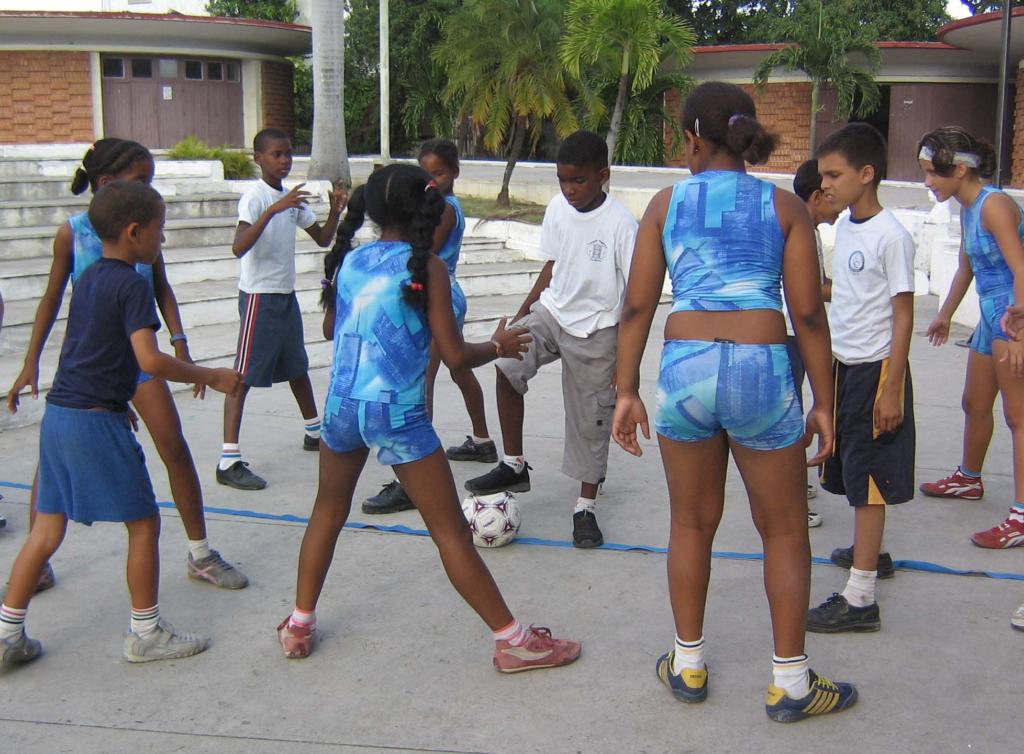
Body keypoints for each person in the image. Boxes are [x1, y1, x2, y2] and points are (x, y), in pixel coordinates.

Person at [612, 82, 855, 722]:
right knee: (782, 530)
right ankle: (791, 684)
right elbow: (806, 313)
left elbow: (636, 306)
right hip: (760, 369)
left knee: (691, 523)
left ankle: (688, 664)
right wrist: (824, 403)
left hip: (686, 367)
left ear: (693, 138)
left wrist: (625, 390)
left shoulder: (666, 204)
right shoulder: (784, 208)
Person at [276, 164, 581, 673]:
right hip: (397, 413)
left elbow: (332, 329)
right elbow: (456, 356)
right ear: (428, 209)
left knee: (327, 510)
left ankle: (299, 624)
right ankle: (513, 641)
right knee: (450, 533)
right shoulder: (429, 270)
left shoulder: (351, 262)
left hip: (342, 407)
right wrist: (499, 344)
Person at [1, 181, 242, 671]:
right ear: (134, 232)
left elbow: (84, 352)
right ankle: (146, 632)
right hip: (95, 422)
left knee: (45, 531)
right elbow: (148, 359)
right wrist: (211, 375)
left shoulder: (89, 279)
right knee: (145, 523)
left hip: (62, 414)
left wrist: (115, 398)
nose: (163, 242)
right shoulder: (132, 284)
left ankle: (8, 634)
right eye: (160, 231)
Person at [465, 131, 638, 548]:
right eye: (562, 180)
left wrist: (625, 363)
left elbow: (635, 297)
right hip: (552, 312)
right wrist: (523, 316)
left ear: (603, 176)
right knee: (506, 365)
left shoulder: (622, 224)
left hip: (597, 328)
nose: (569, 189)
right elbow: (552, 265)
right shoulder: (559, 209)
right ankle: (514, 464)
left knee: (591, 419)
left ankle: (585, 507)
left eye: (577, 180)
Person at [807, 122, 916, 629]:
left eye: (834, 174)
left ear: (866, 174)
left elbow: (902, 313)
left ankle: (860, 598)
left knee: (870, 480)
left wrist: (891, 386)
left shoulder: (892, 236)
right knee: (853, 470)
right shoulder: (846, 225)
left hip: (877, 370)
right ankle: (871, 552)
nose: (824, 184)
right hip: (844, 365)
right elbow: (849, 293)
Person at [362, 139, 496, 514]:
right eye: (428, 174)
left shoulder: (445, 211)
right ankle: (482, 440)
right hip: (441, 291)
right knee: (458, 366)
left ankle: (410, 473)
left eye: (439, 172)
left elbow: (423, 251)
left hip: (436, 292)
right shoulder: (440, 206)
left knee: (422, 378)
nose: (433, 180)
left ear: (454, 171)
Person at [216, 127, 347, 491]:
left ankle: (313, 431)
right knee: (241, 377)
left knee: (296, 367)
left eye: (288, 153)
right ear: (259, 158)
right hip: (259, 296)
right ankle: (228, 459)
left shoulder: (294, 199)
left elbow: (322, 238)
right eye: (276, 154)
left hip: (283, 295)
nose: (284, 160)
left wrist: (335, 212)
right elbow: (238, 247)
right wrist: (273, 210)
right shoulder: (256, 198)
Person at [918, 127, 1024, 549]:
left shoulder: (994, 206)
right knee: (974, 402)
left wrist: (1019, 332)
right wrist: (944, 314)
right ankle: (969, 478)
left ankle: (1021, 515)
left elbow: (1021, 269)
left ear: (960, 169)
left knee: (1019, 418)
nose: (927, 182)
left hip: (1011, 313)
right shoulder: (966, 207)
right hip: (990, 313)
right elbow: (965, 267)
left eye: (932, 174)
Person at [790, 159, 840, 527]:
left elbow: (820, 284)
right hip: (791, 335)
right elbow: (809, 292)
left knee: (804, 410)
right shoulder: (796, 230)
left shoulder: (813, 231)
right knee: (791, 415)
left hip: (806, 334)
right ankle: (791, 492)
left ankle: (798, 478)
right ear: (817, 195)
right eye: (832, 189)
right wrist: (856, 290)